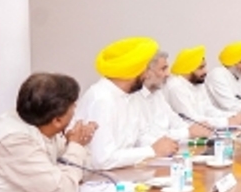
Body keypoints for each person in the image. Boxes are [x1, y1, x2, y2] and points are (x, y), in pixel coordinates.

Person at [74, 37, 179, 170]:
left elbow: (140, 136)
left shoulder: (130, 95)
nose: (147, 76)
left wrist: (166, 145)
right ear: (132, 71)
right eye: (145, 70)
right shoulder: (102, 98)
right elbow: (103, 160)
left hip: (123, 172)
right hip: (97, 177)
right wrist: (152, 151)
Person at [131, 51, 212, 143]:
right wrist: (187, 132)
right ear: (147, 73)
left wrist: (195, 130)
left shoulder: (157, 93)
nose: (168, 74)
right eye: (163, 69)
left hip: (171, 147)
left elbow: (175, 120)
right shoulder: (134, 97)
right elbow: (146, 138)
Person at [164, 45, 241, 128]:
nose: (205, 71)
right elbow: (191, 120)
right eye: (200, 68)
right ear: (187, 69)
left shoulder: (198, 83)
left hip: (203, 132)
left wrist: (235, 116)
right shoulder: (176, 87)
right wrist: (227, 121)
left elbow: (209, 110)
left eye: (204, 67)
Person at [205, 41, 241, 112]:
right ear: (231, 62)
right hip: (218, 118)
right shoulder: (217, 74)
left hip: (240, 117)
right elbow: (230, 106)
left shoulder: (239, 76)